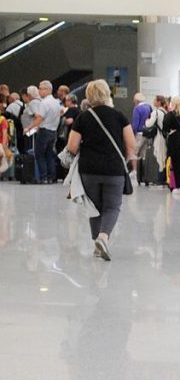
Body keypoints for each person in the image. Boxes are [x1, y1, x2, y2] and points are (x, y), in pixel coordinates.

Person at [66, 80, 135, 260]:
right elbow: (131, 145)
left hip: (89, 169)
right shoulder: (119, 116)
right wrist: (124, 160)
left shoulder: (83, 117)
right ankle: (103, 237)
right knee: (112, 206)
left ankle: (97, 243)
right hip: (114, 169)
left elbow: (72, 146)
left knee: (94, 207)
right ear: (107, 94)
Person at [26, 81, 61, 183]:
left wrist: (29, 127)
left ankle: (43, 177)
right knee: (49, 155)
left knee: (40, 154)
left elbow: (39, 118)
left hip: (44, 131)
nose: (39, 90)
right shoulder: (56, 102)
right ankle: (51, 177)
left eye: (41, 88)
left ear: (47, 90)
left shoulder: (44, 103)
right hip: (53, 131)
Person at [144, 95, 168, 184]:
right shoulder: (165, 112)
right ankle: (163, 177)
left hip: (158, 137)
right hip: (164, 137)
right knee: (163, 156)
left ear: (158, 102)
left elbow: (149, 124)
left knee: (158, 155)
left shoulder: (156, 112)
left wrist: (146, 121)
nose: (153, 101)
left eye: (155, 100)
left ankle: (158, 178)